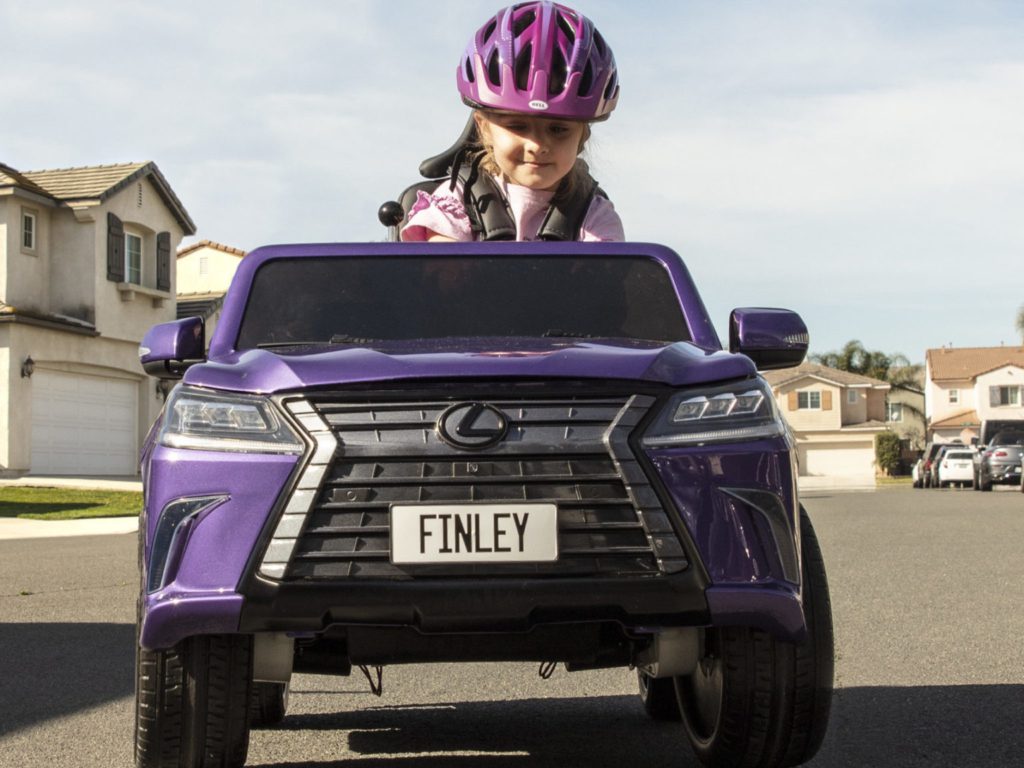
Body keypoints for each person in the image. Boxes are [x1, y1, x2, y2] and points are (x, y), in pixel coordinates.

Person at [401, 1, 623, 243]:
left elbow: (603, 279)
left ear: (582, 137)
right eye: (517, 126)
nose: (537, 145)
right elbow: (443, 276)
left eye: (558, 129)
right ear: (484, 128)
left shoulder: (595, 217)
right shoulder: (457, 203)